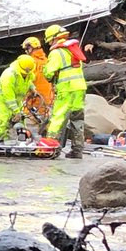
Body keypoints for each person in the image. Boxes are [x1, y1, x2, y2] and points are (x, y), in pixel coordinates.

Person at [42, 24, 87, 158]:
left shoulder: (56, 52)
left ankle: (50, 148)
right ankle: (77, 150)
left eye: (49, 40)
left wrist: (47, 73)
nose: (50, 43)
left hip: (66, 88)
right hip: (80, 88)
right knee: (77, 119)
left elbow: (49, 73)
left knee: (58, 117)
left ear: (54, 38)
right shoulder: (73, 49)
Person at [0, 55, 40, 142]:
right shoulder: (9, 76)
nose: (25, 74)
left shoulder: (28, 74)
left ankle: (21, 137)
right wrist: (16, 111)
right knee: (4, 116)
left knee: (21, 118)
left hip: (18, 98)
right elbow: (8, 97)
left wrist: (33, 88)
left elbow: (28, 81)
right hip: (3, 97)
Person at [21, 35, 53, 129]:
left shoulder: (30, 63)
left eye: (26, 49)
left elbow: (28, 83)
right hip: (47, 101)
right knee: (46, 129)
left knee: (32, 130)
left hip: (34, 101)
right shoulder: (47, 61)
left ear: (30, 48)